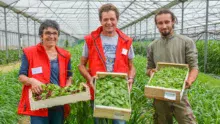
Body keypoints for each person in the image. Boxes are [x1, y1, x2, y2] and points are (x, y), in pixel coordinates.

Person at [78, 3, 136, 124]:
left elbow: (132, 66)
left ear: (117, 20)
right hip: (98, 88)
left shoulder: (126, 41)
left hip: (119, 89)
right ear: (100, 21)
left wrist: (130, 78)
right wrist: (90, 79)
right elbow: (81, 65)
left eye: (112, 19)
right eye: (105, 19)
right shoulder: (91, 40)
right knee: (99, 122)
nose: (109, 22)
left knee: (119, 122)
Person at [146, 9, 199, 124]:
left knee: (188, 121)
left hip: (179, 94)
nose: (164, 26)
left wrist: (189, 80)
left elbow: (194, 67)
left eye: (167, 22)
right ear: (156, 25)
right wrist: (152, 73)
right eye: (160, 23)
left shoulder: (186, 42)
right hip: (159, 95)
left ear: (173, 22)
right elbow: (149, 68)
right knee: (162, 121)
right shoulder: (152, 46)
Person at [17, 19, 72, 124]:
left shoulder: (65, 55)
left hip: (58, 102)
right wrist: (33, 81)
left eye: (54, 33)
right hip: (38, 104)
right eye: (47, 33)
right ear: (41, 36)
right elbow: (21, 76)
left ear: (58, 36)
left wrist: (68, 87)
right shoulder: (30, 52)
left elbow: (69, 76)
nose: (51, 36)